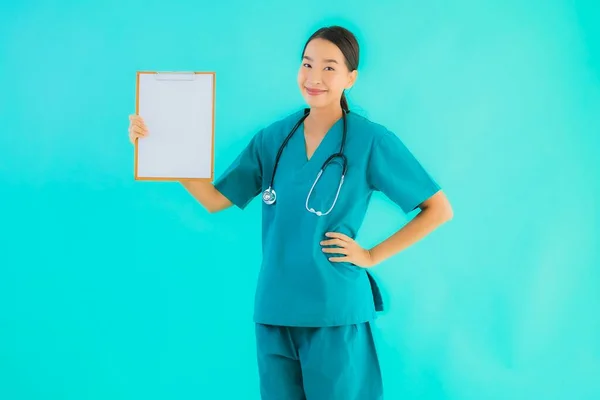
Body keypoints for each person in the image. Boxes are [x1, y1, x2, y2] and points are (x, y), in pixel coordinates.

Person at [129, 25, 453, 400]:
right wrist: (161, 144)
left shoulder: (371, 140)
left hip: (334, 310)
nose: (314, 77)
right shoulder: (273, 138)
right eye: (307, 64)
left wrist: (370, 255)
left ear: (351, 77)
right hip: (274, 309)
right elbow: (215, 199)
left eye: (330, 68)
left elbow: (437, 209)